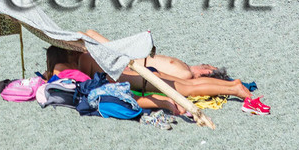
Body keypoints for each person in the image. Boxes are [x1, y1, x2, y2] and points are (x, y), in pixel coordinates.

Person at [51, 33, 270, 115]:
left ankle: (236, 89)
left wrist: (47, 76)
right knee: (189, 86)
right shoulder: (88, 41)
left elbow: (62, 78)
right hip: (138, 68)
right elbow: (108, 44)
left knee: (187, 89)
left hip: (137, 78)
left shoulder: (72, 67)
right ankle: (235, 87)